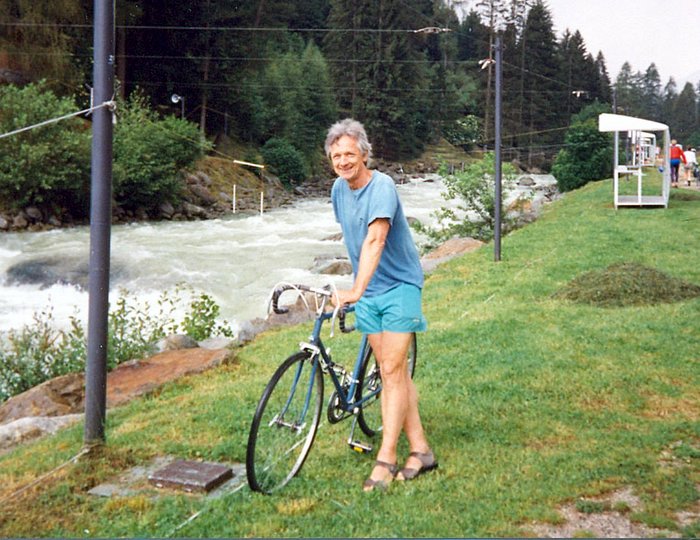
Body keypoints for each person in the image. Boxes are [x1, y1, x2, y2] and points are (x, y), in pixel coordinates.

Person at [324, 118, 437, 492]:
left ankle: (386, 459)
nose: (343, 161)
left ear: (364, 154)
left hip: (400, 286)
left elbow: (375, 239)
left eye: (349, 154)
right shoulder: (338, 190)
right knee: (394, 373)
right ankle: (421, 450)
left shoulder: (383, 186)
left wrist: (354, 290)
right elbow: (353, 238)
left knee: (390, 368)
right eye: (337, 156)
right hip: (370, 291)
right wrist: (362, 287)